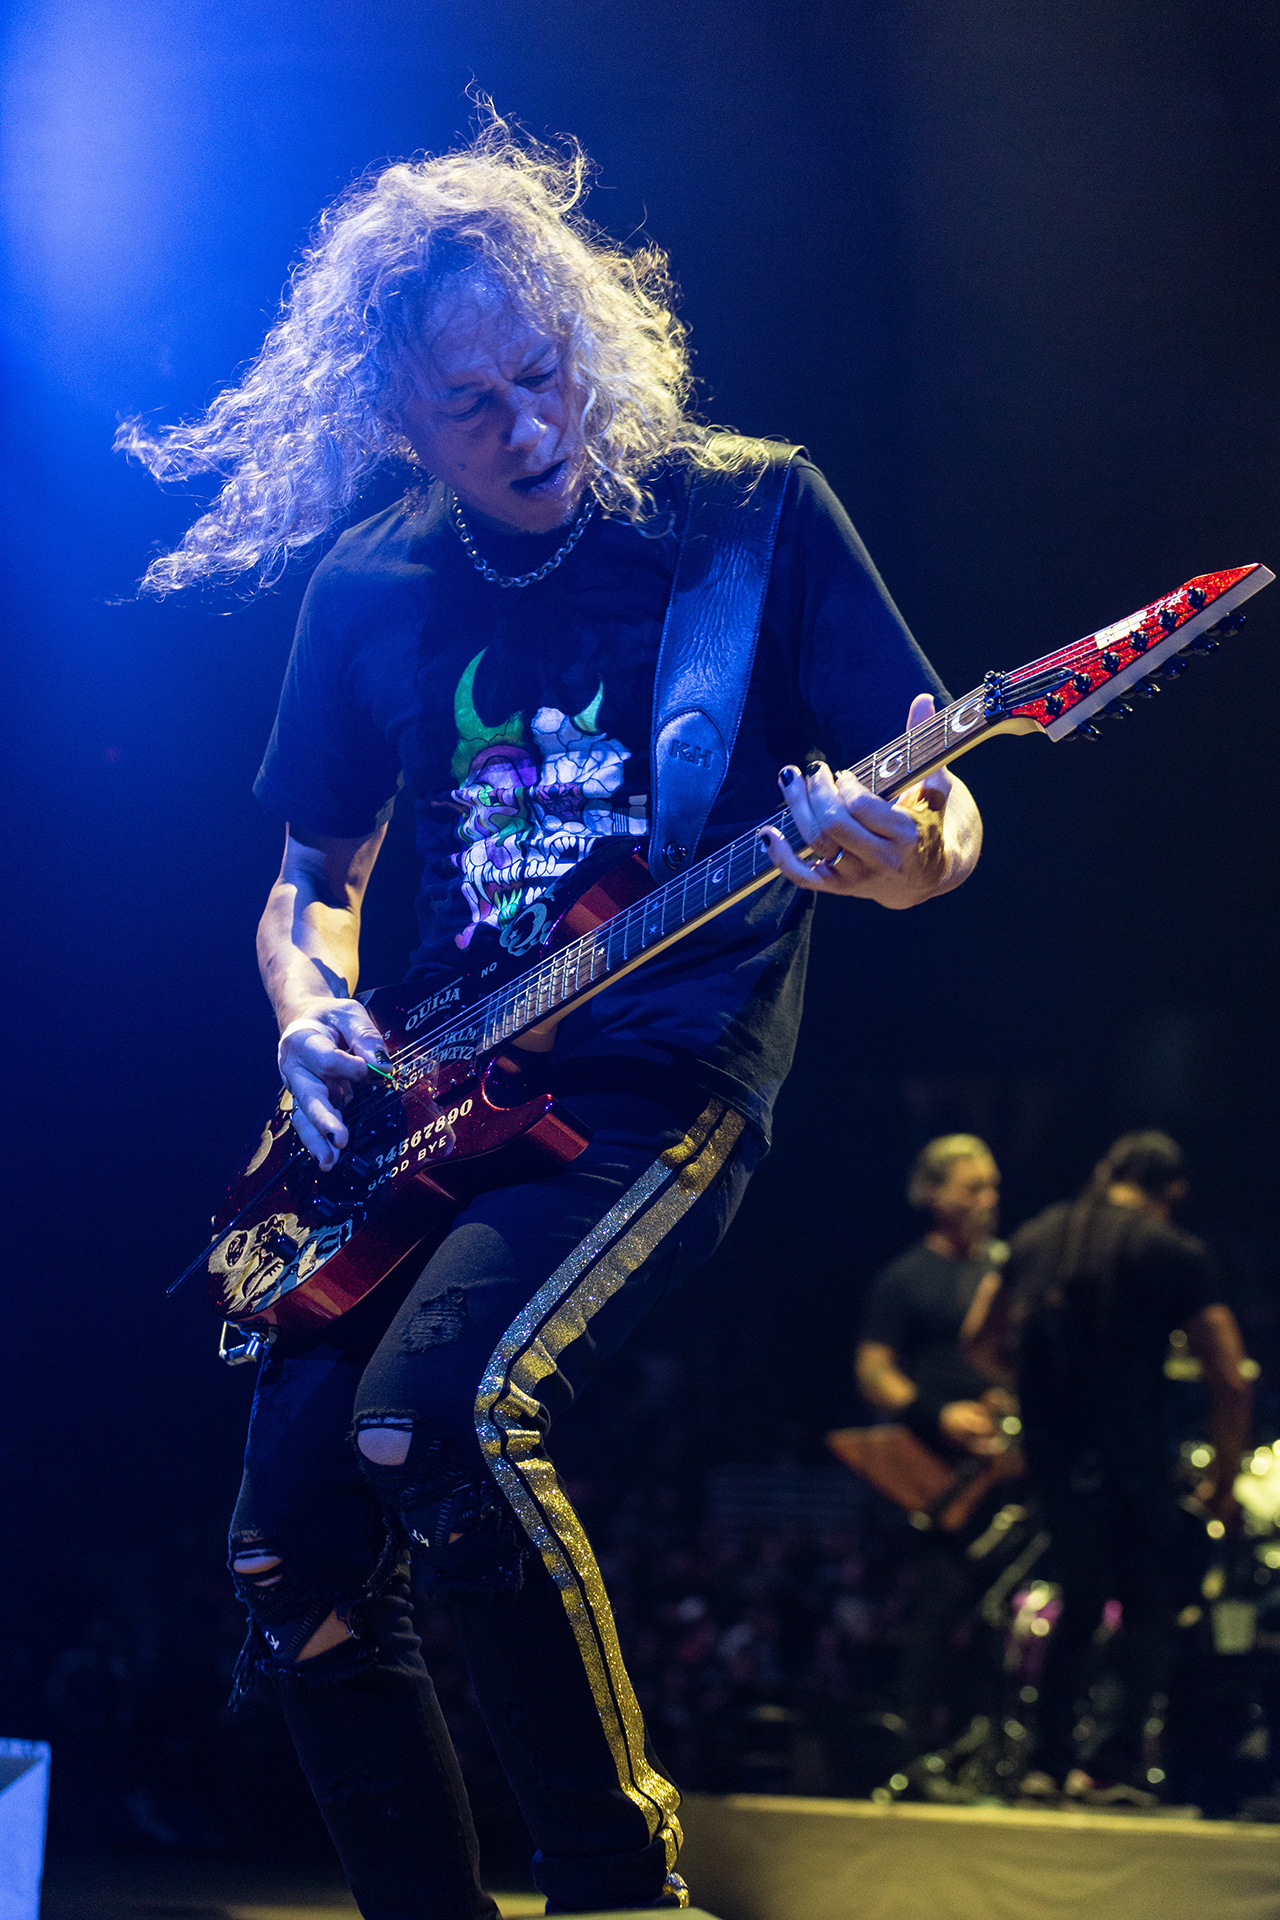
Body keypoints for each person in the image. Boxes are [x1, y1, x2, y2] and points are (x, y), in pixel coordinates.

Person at [118, 116, 981, 1919]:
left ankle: (617, 1895)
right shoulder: (370, 589)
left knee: (441, 1423)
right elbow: (311, 879)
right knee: (287, 1553)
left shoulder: (748, 518)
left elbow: (941, 808)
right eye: (472, 407)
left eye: (546, 373)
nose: (530, 429)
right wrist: (305, 1013)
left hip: (652, 1082)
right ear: (394, 419)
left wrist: (897, 854)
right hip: (426, 1106)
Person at [963, 1131, 1252, 1803]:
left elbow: (978, 1338)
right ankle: (1110, 1764)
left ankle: (1047, 1761)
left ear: (1107, 1173)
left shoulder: (1036, 1234)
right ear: (1171, 1191)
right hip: (1131, 1452)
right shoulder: (1174, 1250)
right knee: (1151, 1600)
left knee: (1081, 1595)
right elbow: (1229, 1376)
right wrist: (1223, 1479)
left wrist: (1033, 1392)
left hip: (1055, 1454)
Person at [855, 1135, 1010, 1757]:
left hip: (1004, 1465)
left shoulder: (1006, 1270)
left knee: (1001, 1602)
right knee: (940, 1600)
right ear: (932, 1194)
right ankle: (913, 1743)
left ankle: (986, 1740)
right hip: (932, 1471)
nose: (988, 1199)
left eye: (992, 1186)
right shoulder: (905, 1278)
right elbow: (873, 1371)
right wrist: (937, 1414)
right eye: (973, 1188)